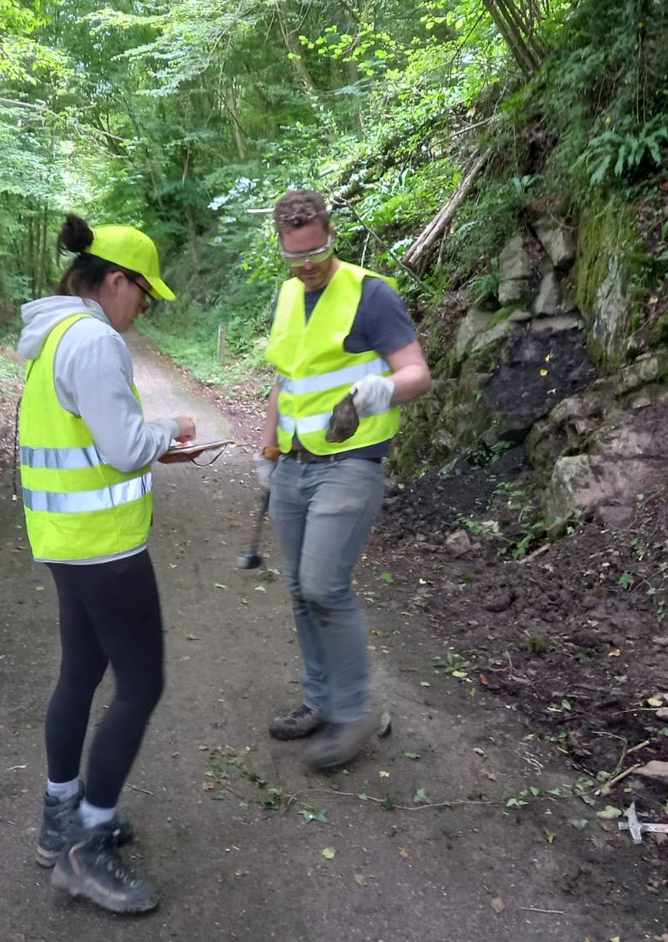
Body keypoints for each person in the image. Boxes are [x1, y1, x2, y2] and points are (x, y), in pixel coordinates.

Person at [16, 214, 194, 914]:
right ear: (114, 281)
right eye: (143, 294)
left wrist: (144, 438)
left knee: (83, 673)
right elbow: (123, 446)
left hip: (65, 540)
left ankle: (60, 817)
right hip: (106, 549)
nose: (142, 310)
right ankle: (88, 848)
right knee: (140, 685)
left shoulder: (53, 335)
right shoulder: (92, 340)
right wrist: (170, 431)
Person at [255, 189, 432, 771]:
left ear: (332, 235)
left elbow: (417, 373)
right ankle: (319, 701)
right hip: (294, 466)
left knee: (324, 585)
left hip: (351, 461)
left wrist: (382, 389)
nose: (307, 264)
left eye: (317, 250)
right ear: (281, 247)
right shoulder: (286, 295)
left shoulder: (370, 293)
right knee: (300, 593)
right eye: (294, 255)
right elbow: (287, 379)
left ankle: (352, 712)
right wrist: (267, 445)